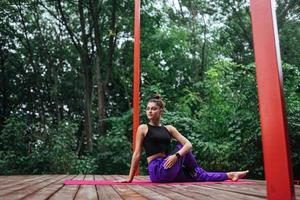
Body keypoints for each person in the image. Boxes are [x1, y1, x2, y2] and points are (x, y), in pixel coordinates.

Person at [122, 94, 249, 183]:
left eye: (154, 109)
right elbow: (137, 154)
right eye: (148, 109)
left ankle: (230, 175)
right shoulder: (143, 128)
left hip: (170, 165)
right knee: (184, 154)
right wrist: (130, 178)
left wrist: (176, 156)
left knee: (198, 176)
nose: (150, 111)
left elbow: (189, 144)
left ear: (161, 110)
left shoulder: (169, 128)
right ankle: (195, 170)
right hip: (157, 170)